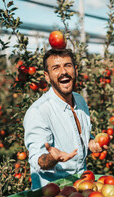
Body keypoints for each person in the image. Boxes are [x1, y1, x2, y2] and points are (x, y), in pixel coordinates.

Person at [23, 48, 103, 189]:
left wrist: (91, 144)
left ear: (75, 70)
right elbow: (37, 159)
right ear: (47, 76)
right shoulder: (38, 112)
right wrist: (52, 159)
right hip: (52, 193)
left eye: (67, 65)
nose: (63, 72)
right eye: (56, 68)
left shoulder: (80, 101)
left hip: (81, 186)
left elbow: (82, 139)